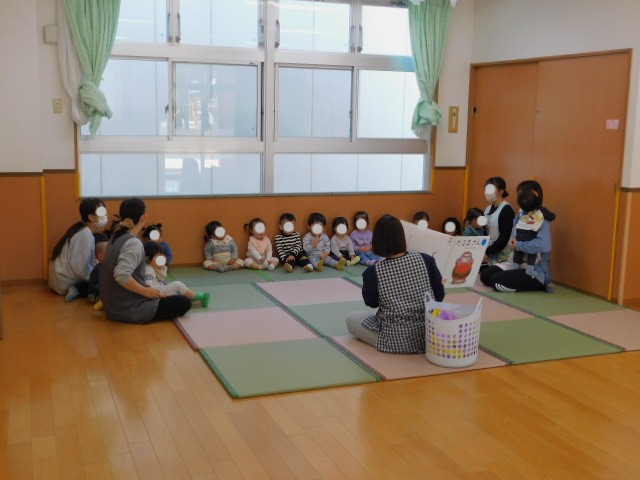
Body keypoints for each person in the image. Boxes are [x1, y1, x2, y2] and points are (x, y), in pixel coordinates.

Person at [346, 214, 445, 354]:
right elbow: (439, 295)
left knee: (352, 319)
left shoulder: (373, 271)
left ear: (377, 241)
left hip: (395, 339)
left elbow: (372, 302)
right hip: (429, 335)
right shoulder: (426, 259)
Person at [99, 198, 192, 323]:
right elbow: (121, 275)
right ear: (143, 217)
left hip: (112, 306)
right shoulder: (133, 243)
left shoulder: (115, 238)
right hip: (127, 309)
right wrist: (146, 292)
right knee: (183, 302)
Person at [480, 181, 552, 292]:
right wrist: (512, 244)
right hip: (514, 263)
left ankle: (534, 284)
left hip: (533, 268)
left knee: (496, 281)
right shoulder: (519, 217)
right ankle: (515, 276)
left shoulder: (541, 218)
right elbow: (513, 240)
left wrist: (519, 245)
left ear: (536, 195)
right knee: (485, 276)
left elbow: (544, 245)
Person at [48, 197, 108, 301]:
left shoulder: (81, 229)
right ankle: (78, 289)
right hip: (65, 282)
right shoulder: (84, 235)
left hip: (59, 280)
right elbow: (80, 269)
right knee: (106, 282)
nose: (105, 216)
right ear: (91, 217)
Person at [143, 241, 209, 307]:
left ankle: (199, 302)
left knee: (179, 296)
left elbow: (163, 281)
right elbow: (148, 285)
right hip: (156, 293)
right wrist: (158, 295)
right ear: (148, 259)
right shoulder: (148, 269)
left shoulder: (159, 268)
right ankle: (195, 296)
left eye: (162, 254)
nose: (162, 257)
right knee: (176, 284)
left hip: (161, 291)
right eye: (158, 256)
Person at [479, 176, 515, 284]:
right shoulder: (487, 209)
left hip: (503, 256)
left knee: (486, 277)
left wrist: (487, 252)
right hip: (489, 256)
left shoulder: (507, 209)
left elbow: (504, 238)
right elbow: (485, 233)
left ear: (501, 191)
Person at [511, 188, 544, 272]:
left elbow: (521, 218)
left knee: (518, 250)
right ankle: (530, 267)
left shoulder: (522, 211)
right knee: (532, 251)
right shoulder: (538, 213)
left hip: (519, 231)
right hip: (530, 233)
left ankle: (514, 266)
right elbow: (539, 221)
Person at [88, 233, 108, 311]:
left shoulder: (106, 267)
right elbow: (94, 285)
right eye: (110, 252)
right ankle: (101, 303)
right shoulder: (99, 269)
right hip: (94, 295)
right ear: (100, 256)